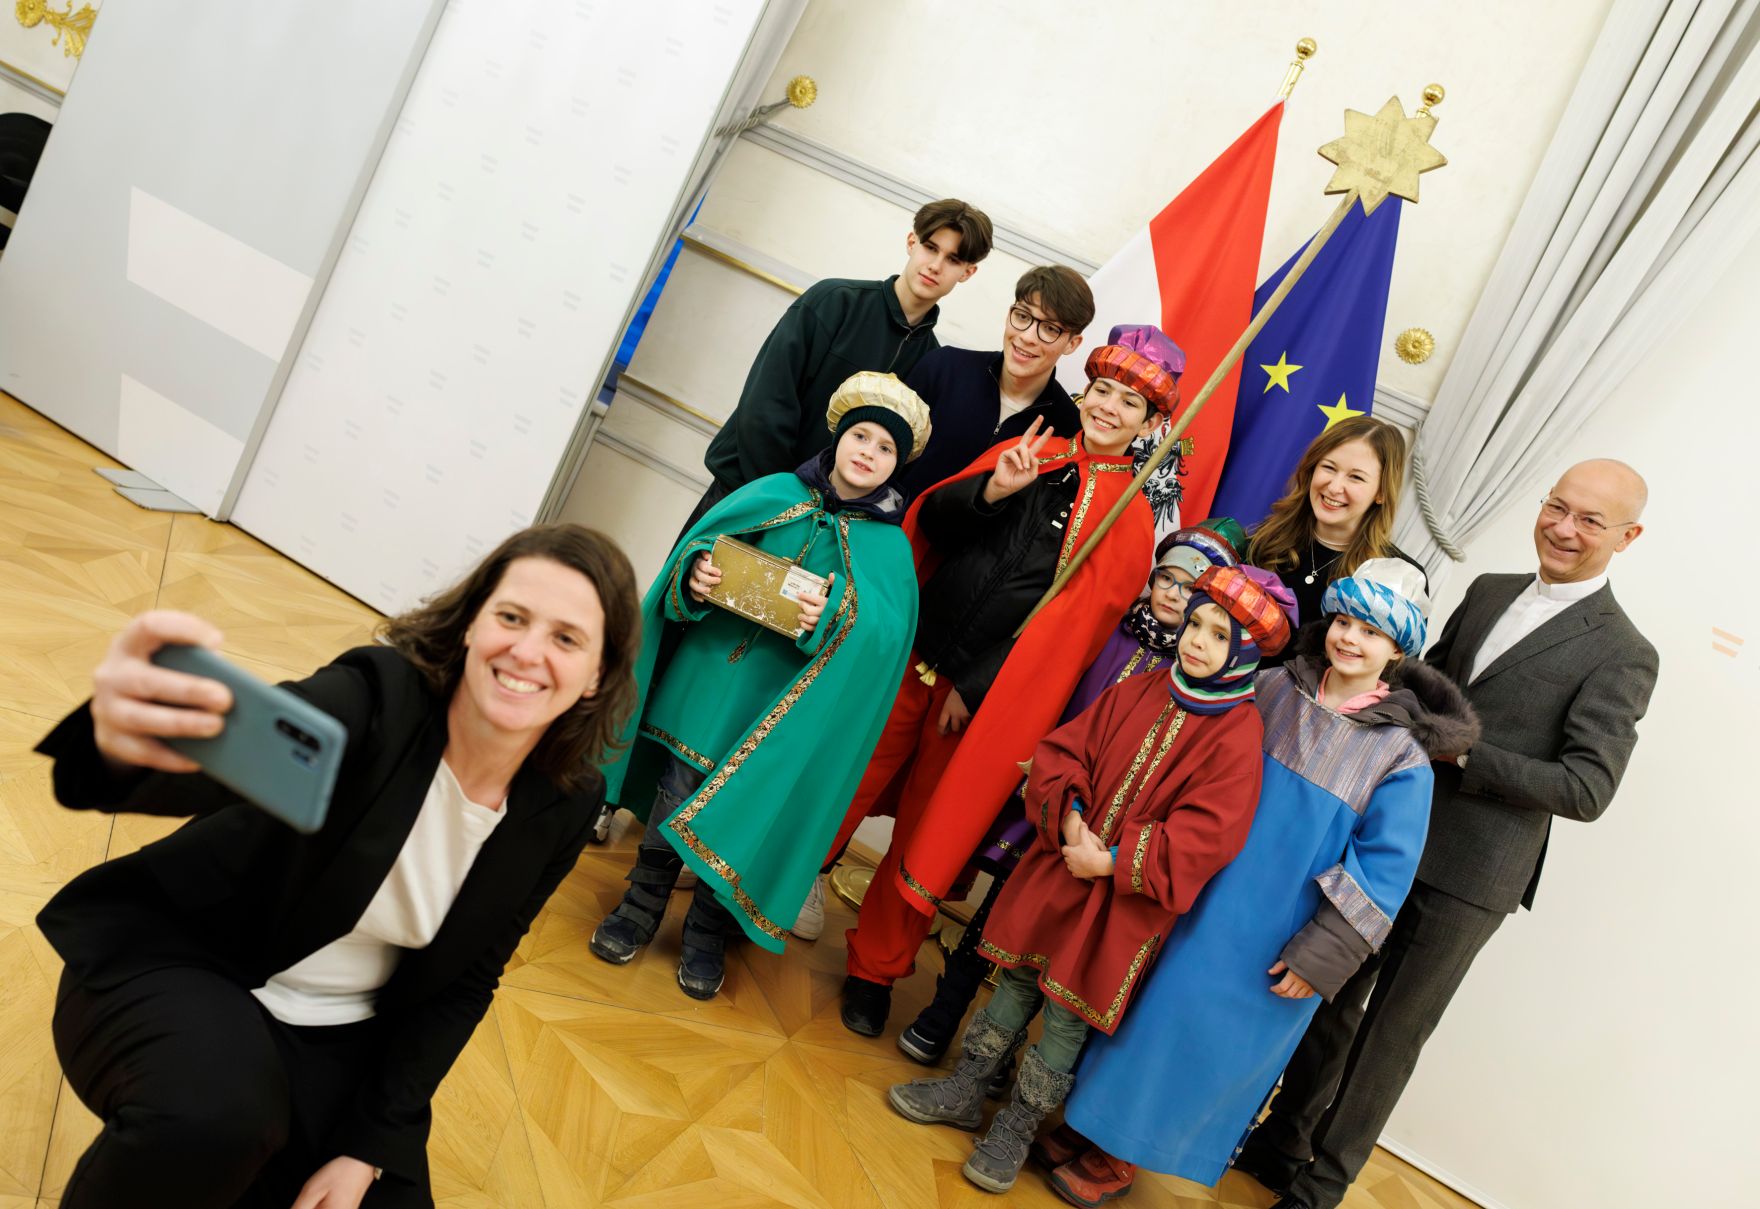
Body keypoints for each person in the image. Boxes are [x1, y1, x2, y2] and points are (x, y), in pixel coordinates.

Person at [33, 525, 642, 1209]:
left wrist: (369, 1144)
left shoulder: (566, 800)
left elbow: (468, 980)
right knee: (219, 1117)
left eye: (566, 638)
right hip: (191, 966)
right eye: (511, 616)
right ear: (471, 625)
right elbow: (231, 754)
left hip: (336, 1033)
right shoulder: (378, 701)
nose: (527, 651)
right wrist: (123, 739)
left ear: (597, 674)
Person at [1236, 460, 1658, 1209]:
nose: (1563, 527)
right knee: (1328, 1002)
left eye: (1590, 520)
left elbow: (1587, 787)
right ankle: (1278, 1145)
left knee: (1387, 1036)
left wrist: (1461, 752)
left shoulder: (1624, 651)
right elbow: (1421, 686)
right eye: (1557, 506)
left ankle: (1319, 1189)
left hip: (1472, 875)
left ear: (1629, 536)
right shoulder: (1491, 588)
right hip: (1389, 839)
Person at [1051, 559, 1480, 1208]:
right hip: (1200, 892)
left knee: (1206, 1042)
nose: (1348, 638)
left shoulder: (1403, 758)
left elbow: (1383, 876)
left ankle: (1121, 1154)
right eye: (1343, 620)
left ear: (1398, 649)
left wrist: (1321, 955)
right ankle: (1091, 1121)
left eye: (1371, 630)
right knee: (1143, 1012)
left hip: (1279, 931)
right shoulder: (1271, 686)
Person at [886, 564, 1292, 1195]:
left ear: (1242, 655)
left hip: (1121, 903)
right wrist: (1072, 822)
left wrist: (1112, 860)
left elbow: (1210, 834)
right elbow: (1066, 750)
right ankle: (967, 1086)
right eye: (1196, 625)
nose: (1197, 641)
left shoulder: (1238, 734)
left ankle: (1018, 1128)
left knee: (1069, 1014)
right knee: (1016, 979)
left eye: (1218, 636)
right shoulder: (1146, 686)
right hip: (1063, 866)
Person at [832, 324, 1180, 1038]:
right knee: (838, 787)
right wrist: (994, 486)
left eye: (1130, 404)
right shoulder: (1033, 449)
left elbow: (1070, 636)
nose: (1109, 408)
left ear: (1152, 424)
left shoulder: (1131, 518)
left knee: (929, 833)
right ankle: (755, 900)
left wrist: (976, 685)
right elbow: (935, 524)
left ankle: (874, 968)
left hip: (975, 705)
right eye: (1103, 390)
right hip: (908, 661)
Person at [589, 373, 927, 997]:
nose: (868, 452)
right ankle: (640, 905)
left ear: (896, 465)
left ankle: (707, 932)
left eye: (885, 448)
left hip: (785, 710)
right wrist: (695, 577)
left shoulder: (888, 550)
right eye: (861, 435)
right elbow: (697, 554)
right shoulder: (773, 493)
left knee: (750, 813)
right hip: (715, 683)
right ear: (838, 437)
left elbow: (883, 640)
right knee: (676, 790)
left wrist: (830, 618)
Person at [892, 516, 1253, 1064]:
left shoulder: (1189, 677)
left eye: (1191, 590)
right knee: (1003, 917)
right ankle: (944, 1016)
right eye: (1167, 579)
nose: (1175, 597)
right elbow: (1050, 677)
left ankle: (1003, 1060)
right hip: (1052, 800)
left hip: (1110, 840)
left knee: (1060, 956)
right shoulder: (1112, 628)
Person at [688, 198, 992, 531]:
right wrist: (782, 499)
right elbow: (766, 404)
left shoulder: (931, 364)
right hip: (744, 493)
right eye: (930, 248)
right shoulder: (834, 301)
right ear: (911, 242)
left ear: (967, 272)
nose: (935, 265)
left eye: (952, 259)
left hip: (821, 529)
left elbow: (892, 463)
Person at [895, 264, 1094, 500]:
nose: (1027, 337)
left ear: (1072, 343)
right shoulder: (943, 367)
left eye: (1050, 329)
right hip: (887, 530)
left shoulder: (1070, 429)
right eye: (1022, 316)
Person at [1246, 416, 1425, 666]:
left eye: (1356, 477)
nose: (1334, 486)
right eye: (1329, 467)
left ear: (1382, 492)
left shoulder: (1400, 579)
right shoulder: (1266, 538)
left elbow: (1391, 681)